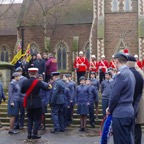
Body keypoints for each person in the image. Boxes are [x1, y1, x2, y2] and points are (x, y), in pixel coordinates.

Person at [106, 52, 135, 144]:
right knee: (128, 140)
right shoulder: (130, 73)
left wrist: (109, 109)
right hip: (129, 111)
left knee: (120, 141)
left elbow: (114, 96)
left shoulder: (120, 75)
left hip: (120, 113)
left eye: (114, 61)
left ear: (117, 61)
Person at [21, 68, 52, 139]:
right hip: (37, 103)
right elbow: (47, 88)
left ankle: (29, 134)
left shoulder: (25, 82)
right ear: (36, 74)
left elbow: (22, 91)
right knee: (38, 119)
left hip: (28, 102)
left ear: (29, 73)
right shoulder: (38, 82)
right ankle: (34, 134)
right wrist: (50, 85)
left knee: (30, 119)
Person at [127, 55, 143, 144]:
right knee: (137, 127)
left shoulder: (134, 73)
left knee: (134, 126)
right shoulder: (140, 72)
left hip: (135, 101)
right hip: (139, 101)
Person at [135, 64, 144, 144]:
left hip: (136, 103)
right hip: (139, 102)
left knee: (136, 127)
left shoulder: (136, 73)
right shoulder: (140, 72)